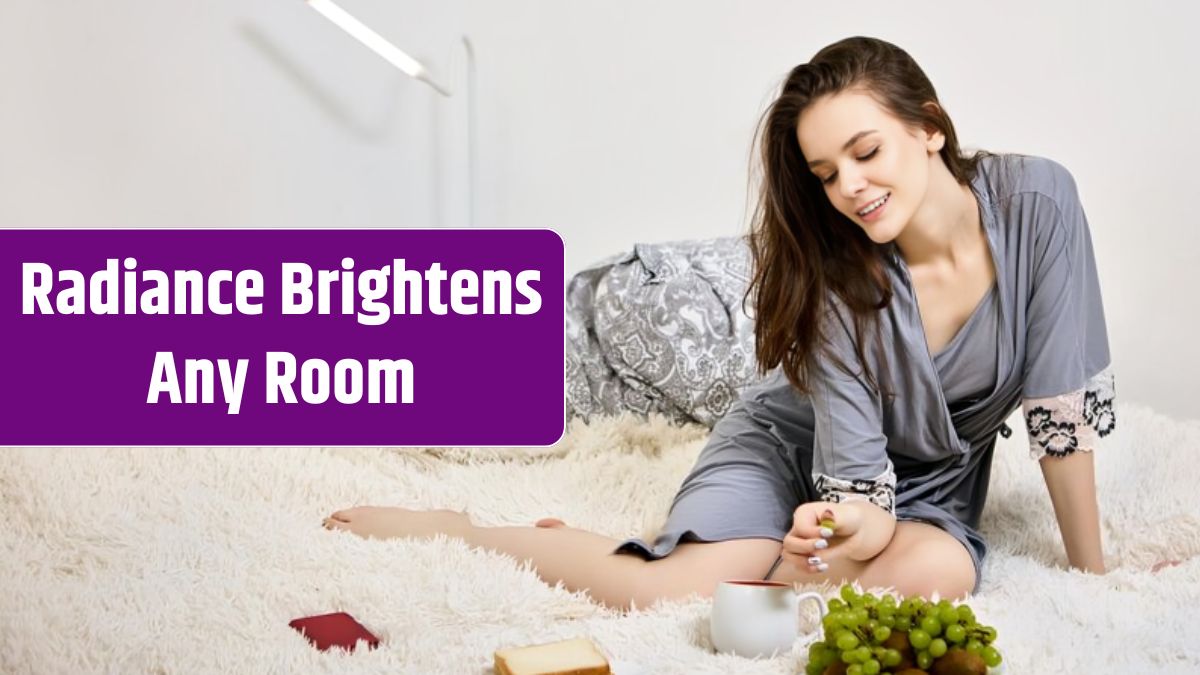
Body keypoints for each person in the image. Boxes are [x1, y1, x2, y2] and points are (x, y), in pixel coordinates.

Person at [322, 36, 1117, 609]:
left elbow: (1059, 414)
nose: (852, 186)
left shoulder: (1039, 203)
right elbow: (857, 493)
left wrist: (1092, 578)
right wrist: (833, 532)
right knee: (660, 592)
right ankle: (471, 530)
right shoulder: (837, 283)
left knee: (937, 575)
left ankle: (676, 562)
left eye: (867, 150)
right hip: (790, 450)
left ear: (929, 126)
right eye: (827, 173)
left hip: (928, 490)